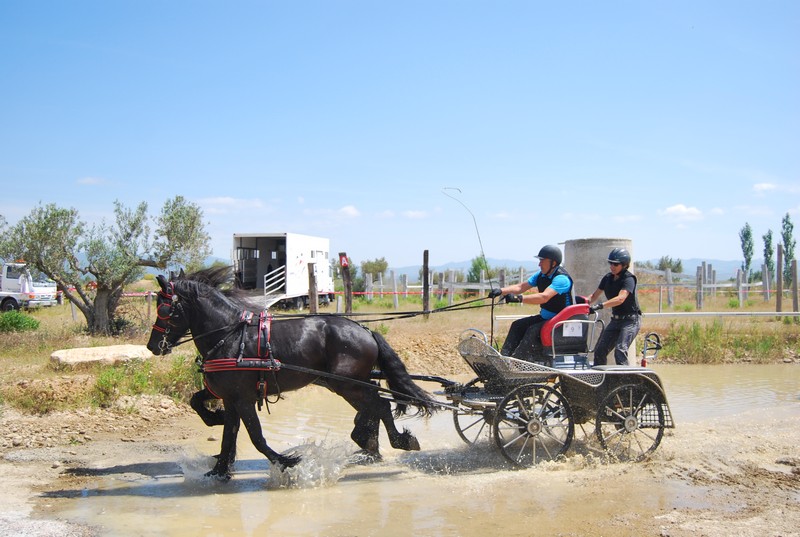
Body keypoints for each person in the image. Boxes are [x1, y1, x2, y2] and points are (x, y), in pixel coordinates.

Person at [488, 244, 575, 360]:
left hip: (560, 322)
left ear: (553, 263)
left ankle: (517, 364)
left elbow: (544, 297)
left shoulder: (561, 279)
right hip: (546, 318)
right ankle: (504, 359)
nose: (539, 264)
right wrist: (501, 291)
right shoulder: (541, 275)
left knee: (532, 331)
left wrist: (519, 299)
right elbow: (521, 286)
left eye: (542, 261)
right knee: (517, 325)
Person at [587, 247, 642, 366]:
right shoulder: (607, 278)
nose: (612, 266)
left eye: (615, 264)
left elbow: (620, 298)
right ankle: (600, 381)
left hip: (630, 320)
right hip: (616, 320)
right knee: (600, 351)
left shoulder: (629, 279)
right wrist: (582, 303)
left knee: (620, 350)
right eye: (610, 263)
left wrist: (599, 306)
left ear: (624, 265)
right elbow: (594, 295)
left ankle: (625, 381)